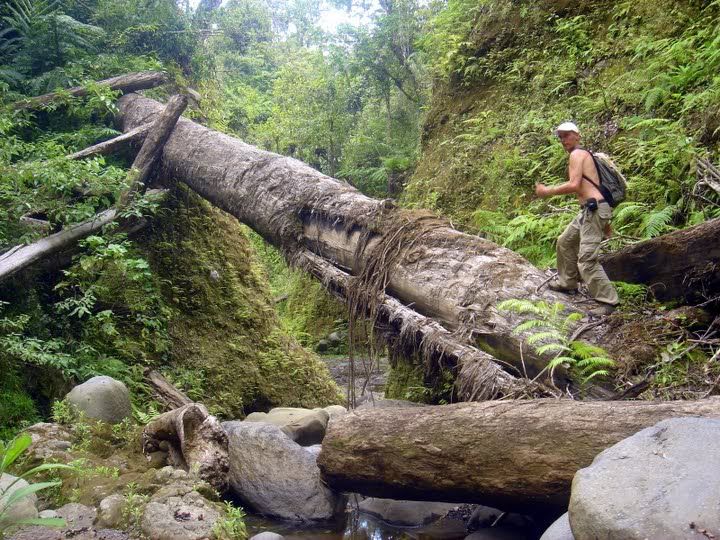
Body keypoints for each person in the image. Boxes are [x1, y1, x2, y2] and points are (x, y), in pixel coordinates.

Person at [535, 121, 619, 316]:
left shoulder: (577, 154)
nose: (563, 140)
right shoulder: (584, 155)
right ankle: (568, 283)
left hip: (594, 210)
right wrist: (605, 224)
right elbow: (593, 188)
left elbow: (574, 184)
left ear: (577, 135)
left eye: (566, 135)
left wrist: (547, 191)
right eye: (561, 137)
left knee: (586, 260)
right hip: (589, 210)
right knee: (565, 242)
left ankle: (609, 303)